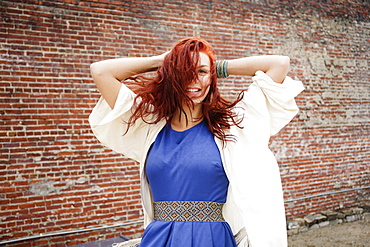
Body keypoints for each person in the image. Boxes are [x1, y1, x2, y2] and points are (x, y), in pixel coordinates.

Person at [89, 37, 304, 247]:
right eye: (185, 71)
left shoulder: (232, 126)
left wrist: (214, 67)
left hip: (212, 239)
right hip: (159, 238)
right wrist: (163, 61)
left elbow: (279, 64)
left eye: (201, 72)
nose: (194, 80)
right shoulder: (149, 125)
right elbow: (101, 71)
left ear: (211, 78)